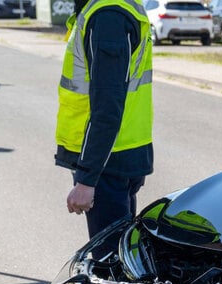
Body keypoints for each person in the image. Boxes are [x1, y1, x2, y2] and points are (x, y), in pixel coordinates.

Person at [56, 0, 154, 238]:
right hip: (118, 153)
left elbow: (107, 106)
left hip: (107, 162)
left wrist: (87, 179)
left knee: (109, 261)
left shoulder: (107, 16)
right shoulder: (106, 9)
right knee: (121, 257)